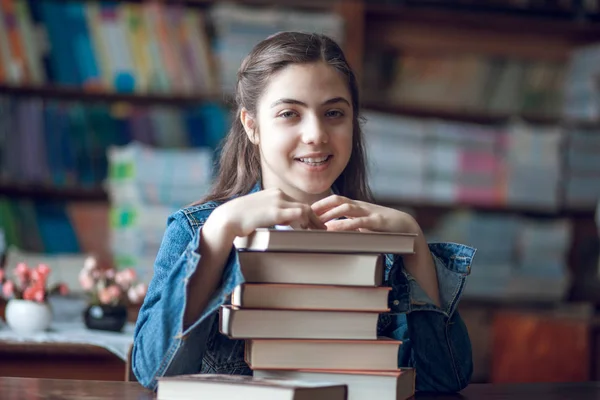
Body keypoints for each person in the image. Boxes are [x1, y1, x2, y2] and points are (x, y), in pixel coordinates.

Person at [132, 31, 476, 393]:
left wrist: (415, 244)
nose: (315, 134)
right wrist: (220, 231)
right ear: (252, 126)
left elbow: (445, 381)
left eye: (333, 113)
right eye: (289, 113)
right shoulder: (200, 230)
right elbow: (151, 371)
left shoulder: (386, 242)